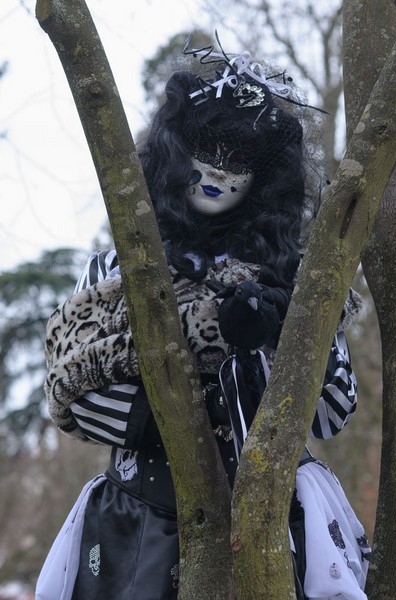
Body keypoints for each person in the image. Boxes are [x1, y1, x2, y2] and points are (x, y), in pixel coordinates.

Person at [36, 38, 371, 600]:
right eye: (206, 148)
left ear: (268, 176)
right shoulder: (118, 268)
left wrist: (264, 346)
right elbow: (73, 393)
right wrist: (187, 389)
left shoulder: (295, 277)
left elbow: (332, 411)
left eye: (241, 158)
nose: (218, 169)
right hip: (138, 525)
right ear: (175, 151)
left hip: (274, 525)